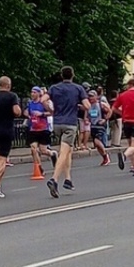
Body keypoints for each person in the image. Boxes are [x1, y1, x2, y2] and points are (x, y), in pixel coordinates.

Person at [47, 67, 89, 198]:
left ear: (61, 75)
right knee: (64, 153)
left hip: (57, 123)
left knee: (68, 151)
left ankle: (68, 179)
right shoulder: (78, 89)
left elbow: (43, 99)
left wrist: (50, 110)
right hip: (70, 124)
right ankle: (54, 179)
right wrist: (78, 105)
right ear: (73, 75)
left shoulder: (54, 88)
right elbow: (87, 106)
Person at [24, 87, 52, 175]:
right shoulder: (30, 103)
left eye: (34, 92)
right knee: (33, 149)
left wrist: (42, 114)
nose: (32, 94)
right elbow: (26, 112)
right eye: (31, 92)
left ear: (39, 94)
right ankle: (39, 168)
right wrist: (28, 115)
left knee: (43, 150)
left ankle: (53, 154)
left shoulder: (43, 103)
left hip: (43, 129)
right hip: (33, 129)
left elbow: (51, 112)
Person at [85, 87, 112, 166]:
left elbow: (110, 111)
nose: (90, 98)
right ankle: (104, 157)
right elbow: (86, 117)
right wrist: (87, 120)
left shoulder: (100, 104)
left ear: (96, 96)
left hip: (99, 126)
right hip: (92, 126)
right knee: (96, 145)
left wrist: (105, 119)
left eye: (92, 96)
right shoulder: (88, 106)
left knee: (97, 141)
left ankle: (106, 155)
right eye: (89, 96)